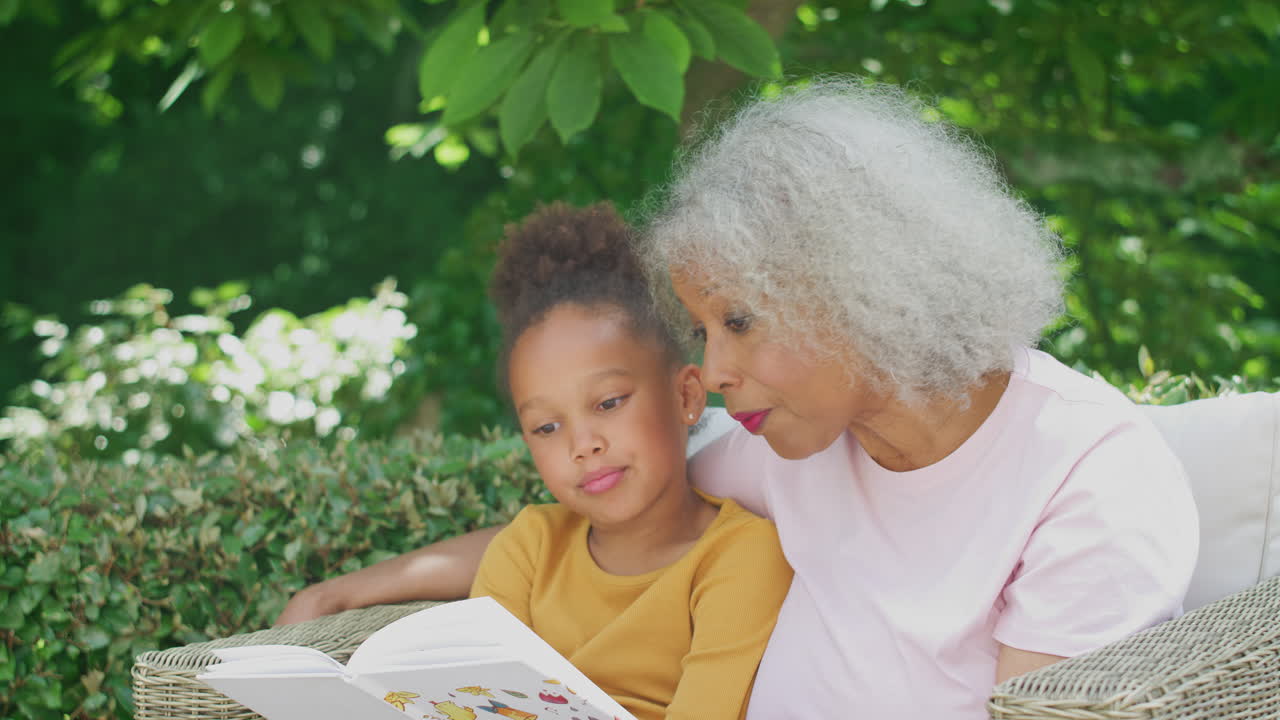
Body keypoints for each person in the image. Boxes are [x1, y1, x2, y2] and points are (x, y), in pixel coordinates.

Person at [280, 79, 1198, 719]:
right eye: (702, 329)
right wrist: (367, 585)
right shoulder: (787, 438)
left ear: (861, 290)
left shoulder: (1088, 480)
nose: (713, 372)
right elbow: (614, 507)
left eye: (740, 322)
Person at [444, 203, 792, 720]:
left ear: (686, 396)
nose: (582, 445)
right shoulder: (527, 550)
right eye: (546, 427)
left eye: (608, 403)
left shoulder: (739, 555)